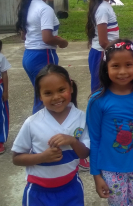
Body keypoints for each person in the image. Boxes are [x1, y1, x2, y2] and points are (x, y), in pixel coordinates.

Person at [86, 39, 133, 206]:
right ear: (106, 67)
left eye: (128, 65)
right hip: (111, 170)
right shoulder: (97, 101)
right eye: (115, 66)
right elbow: (94, 140)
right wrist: (96, 175)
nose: (123, 71)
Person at [12, 65, 89, 205]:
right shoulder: (32, 123)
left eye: (61, 90)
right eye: (48, 93)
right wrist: (42, 157)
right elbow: (16, 158)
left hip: (72, 189)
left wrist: (73, 141)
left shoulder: (81, 118)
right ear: (40, 96)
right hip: (38, 193)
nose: (56, 97)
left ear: (70, 87)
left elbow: (85, 153)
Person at [16, 0, 68, 113]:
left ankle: (38, 130)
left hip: (29, 56)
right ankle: (41, 132)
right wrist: (62, 42)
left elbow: (24, 36)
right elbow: (47, 38)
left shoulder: (28, 5)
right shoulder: (45, 9)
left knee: (41, 96)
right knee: (48, 100)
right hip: (43, 55)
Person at [86, 0, 119, 93]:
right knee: (99, 90)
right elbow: (103, 41)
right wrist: (116, 53)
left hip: (104, 52)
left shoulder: (105, 6)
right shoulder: (103, 8)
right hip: (101, 53)